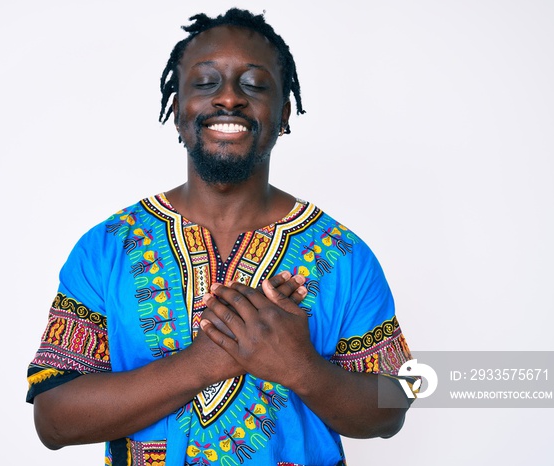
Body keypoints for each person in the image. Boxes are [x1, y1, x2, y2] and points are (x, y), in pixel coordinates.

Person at [26, 8, 414, 465]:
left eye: (254, 84)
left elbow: (392, 407)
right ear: (177, 110)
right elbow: (53, 420)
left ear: (284, 112)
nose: (229, 98)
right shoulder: (107, 248)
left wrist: (299, 366)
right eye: (206, 82)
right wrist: (211, 360)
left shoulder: (345, 255)